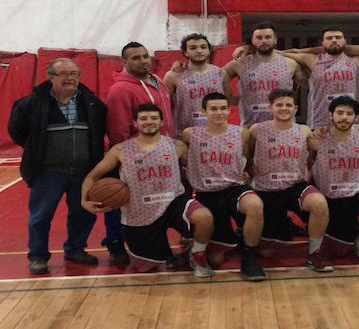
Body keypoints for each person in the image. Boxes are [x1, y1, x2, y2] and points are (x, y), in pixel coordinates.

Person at [81, 104, 214, 277]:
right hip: (139, 210)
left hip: (174, 201)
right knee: (145, 266)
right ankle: (164, 253)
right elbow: (92, 176)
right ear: (135, 123)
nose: (149, 122)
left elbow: (197, 169)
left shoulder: (178, 146)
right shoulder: (120, 150)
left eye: (153, 118)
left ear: (161, 122)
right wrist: (85, 201)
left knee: (204, 217)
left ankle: (197, 254)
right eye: (143, 119)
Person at [8, 58, 106, 274]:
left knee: (83, 213)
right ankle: (38, 256)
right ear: (50, 77)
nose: (70, 78)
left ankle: (75, 249)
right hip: (48, 171)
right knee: (40, 216)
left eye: (74, 74)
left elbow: (99, 132)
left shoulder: (91, 103)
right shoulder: (32, 103)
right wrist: (36, 148)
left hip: (83, 171)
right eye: (64, 73)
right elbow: (17, 131)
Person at [102, 41, 176, 263]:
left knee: (157, 201)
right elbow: (118, 129)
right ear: (124, 62)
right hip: (136, 159)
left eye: (145, 56)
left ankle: (158, 244)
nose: (142, 61)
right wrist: (127, 162)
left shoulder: (157, 81)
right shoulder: (120, 89)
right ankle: (115, 243)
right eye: (135, 58)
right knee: (120, 198)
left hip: (161, 154)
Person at [182, 92, 266, 281]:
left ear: (229, 110)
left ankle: (249, 257)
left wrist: (247, 172)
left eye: (222, 108)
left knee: (255, 205)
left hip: (233, 188)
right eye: (213, 109)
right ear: (204, 111)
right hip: (207, 194)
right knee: (216, 259)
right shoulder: (191, 134)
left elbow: (247, 158)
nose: (218, 112)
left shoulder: (241, 133)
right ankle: (208, 243)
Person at [249, 89, 333, 272]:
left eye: (288, 105)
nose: (284, 108)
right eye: (279, 105)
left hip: (296, 186)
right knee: (266, 252)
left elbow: (317, 151)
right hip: (267, 190)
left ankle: (315, 253)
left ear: (295, 108)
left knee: (319, 203)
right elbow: (246, 155)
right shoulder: (257, 130)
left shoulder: (303, 130)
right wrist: (247, 172)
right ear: (270, 107)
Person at [309, 96, 359, 259]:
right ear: (331, 115)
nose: (344, 117)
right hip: (332, 194)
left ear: (356, 117)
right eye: (340, 113)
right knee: (340, 250)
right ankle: (339, 232)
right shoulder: (317, 137)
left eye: (349, 113)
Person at [222, 22, 307, 128]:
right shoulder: (240, 63)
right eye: (259, 37)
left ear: (275, 40)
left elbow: (310, 84)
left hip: (284, 127)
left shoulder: (290, 63)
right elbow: (220, 76)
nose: (264, 41)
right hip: (250, 127)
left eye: (268, 37)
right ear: (253, 41)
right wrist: (229, 98)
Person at [282, 26, 359, 128]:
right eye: (329, 38)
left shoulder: (357, 61)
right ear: (322, 43)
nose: (334, 40)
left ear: (345, 41)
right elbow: (284, 54)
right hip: (319, 123)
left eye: (338, 37)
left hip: (350, 122)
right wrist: (314, 50)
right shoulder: (312, 60)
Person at [164, 33, 224, 135]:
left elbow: (227, 101)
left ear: (209, 51)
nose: (199, 51)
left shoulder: (221, 73)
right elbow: (165, 106)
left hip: (216, 131)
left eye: (203, 47)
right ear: (185, 53)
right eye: (193, 48)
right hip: (183, 132)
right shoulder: (172, 75)